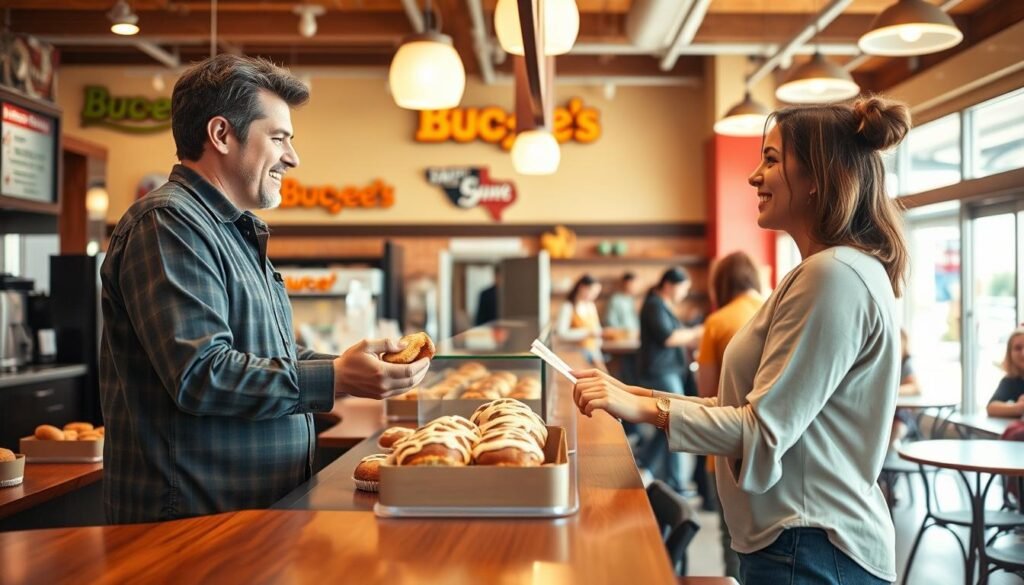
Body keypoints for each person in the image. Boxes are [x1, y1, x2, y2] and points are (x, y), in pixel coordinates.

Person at [573, 96, 911, 584]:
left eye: (771, 160)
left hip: (810, 547)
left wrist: (647, 410)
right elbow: (741, 406)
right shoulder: (828, 271)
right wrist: (633, 395)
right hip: (798, 544)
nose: (754, 176)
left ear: (818, 177)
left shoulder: (833, 275)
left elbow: (761, 431)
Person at [99, 55, 430, 524]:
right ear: (221, 134)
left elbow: (263, 352)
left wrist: (343, 363)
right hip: (191, 529)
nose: (292, 157)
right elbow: (200, 374)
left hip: (249, 519)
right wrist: (335, 378)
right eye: (278, 138)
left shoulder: (233, 229)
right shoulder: (168, 222)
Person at [695, 250, 764, 579]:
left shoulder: (718, 322)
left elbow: (707, 392)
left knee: (732, 540)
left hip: (724, 443)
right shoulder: (776, 310)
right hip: (770, 448)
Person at [634, 267, 702, 493]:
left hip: (667, 371)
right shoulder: (654, 305)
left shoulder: (661, 305)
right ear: (669, 285)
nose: (685, 293)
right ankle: (673, 481)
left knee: (668, 426)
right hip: (661, 372)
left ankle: (646, 464)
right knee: (675, 423)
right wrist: (697, 332)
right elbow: (668, 337)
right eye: (684, 288)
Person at [556, 274, 605, 369]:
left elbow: (597, 328)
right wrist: (587, 333)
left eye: (596, 293)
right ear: (582, 287)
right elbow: (561, 333)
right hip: (575, 353)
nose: (594, 296)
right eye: (592, 292)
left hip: (594, 351)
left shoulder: (591, 306)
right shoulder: (568, 307)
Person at [987, 325, 1024, 418]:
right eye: (1018, 348)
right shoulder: (1010, 381)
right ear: (1009, 354)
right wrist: (1019, 407)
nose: (1023, 353)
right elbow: (991, 407)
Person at [603, 271, 641, 337]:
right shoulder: (615, 299)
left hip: (634, 336)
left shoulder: (631, 300)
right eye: (632, 284)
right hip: (621, 337)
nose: (635, 287)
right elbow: (610, 321)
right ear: (625, 283)